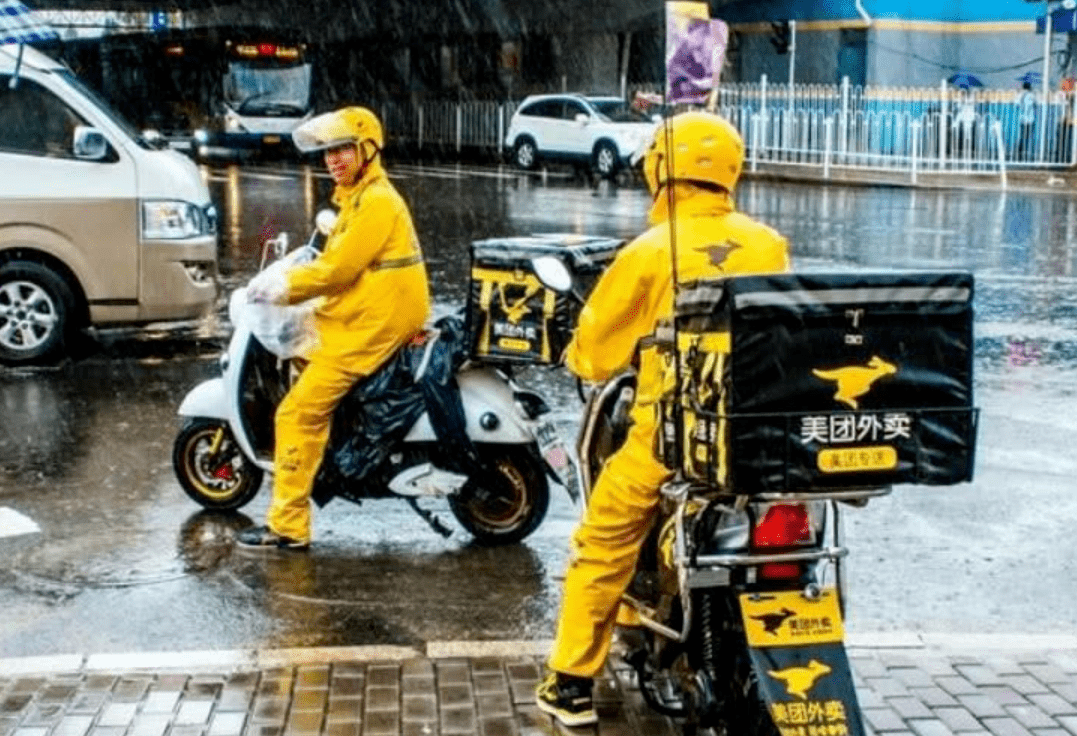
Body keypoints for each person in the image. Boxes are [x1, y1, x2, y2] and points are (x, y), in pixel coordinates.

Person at [534, 111, 790, 727]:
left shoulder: (652, 250)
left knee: (602, 541)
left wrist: (583, 352)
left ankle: (569, 684)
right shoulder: (768, 242)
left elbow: (596, 351)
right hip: (756, 433)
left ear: (659, 170)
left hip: (671, 434)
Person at [236, 106, 431, 550]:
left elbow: (336, 272)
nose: (333, 160)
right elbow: (332, 259)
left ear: (367, 149)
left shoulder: (376, 202)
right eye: (327, 153)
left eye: (342, 150)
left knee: (296, 413)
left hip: (372, 325)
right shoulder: (358, 198)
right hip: (367, 314)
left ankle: (287, 527)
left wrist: (281, 288)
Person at [1017, 82, 1036, 162]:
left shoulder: (1020, 95)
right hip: (1030, 120)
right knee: (1028, 137)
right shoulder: (1032, 95)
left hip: (1022, 119)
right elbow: (1035, 104)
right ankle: (1026, 153)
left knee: (1022, 137)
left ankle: (1020, 154)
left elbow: (1017, 104)